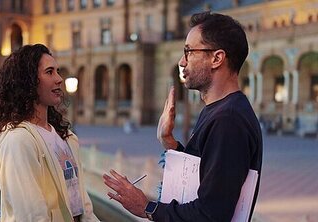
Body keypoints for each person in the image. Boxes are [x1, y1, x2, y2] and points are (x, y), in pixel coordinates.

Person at [103, 11, 263, 222]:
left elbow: (211, 214)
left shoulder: (228, 120)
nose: (181, 61)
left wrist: (147, 207)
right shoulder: (219, 110)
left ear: (217, 58)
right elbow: (202, 177)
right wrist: (170, 143)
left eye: (189, 52)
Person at [0, 44, 99, 222]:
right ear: (28, 81)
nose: (59, 79)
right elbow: (32, 216)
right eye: (49, 72)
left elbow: (83, 207)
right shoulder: (18, 141)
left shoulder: (66, 138)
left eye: (58, 71)